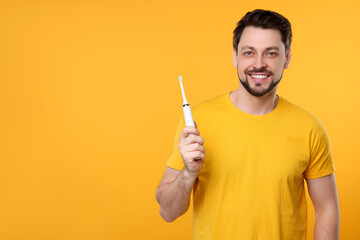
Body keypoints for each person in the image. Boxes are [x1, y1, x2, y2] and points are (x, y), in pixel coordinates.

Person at [156, 9, 340, 240]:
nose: (259, 64)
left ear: (287, 58)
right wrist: (187, 173)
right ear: (235, 56)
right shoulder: (195, 121)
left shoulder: (310, 128)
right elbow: (168, 212)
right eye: (249, 52)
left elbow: (327, 210)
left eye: (271, 53)